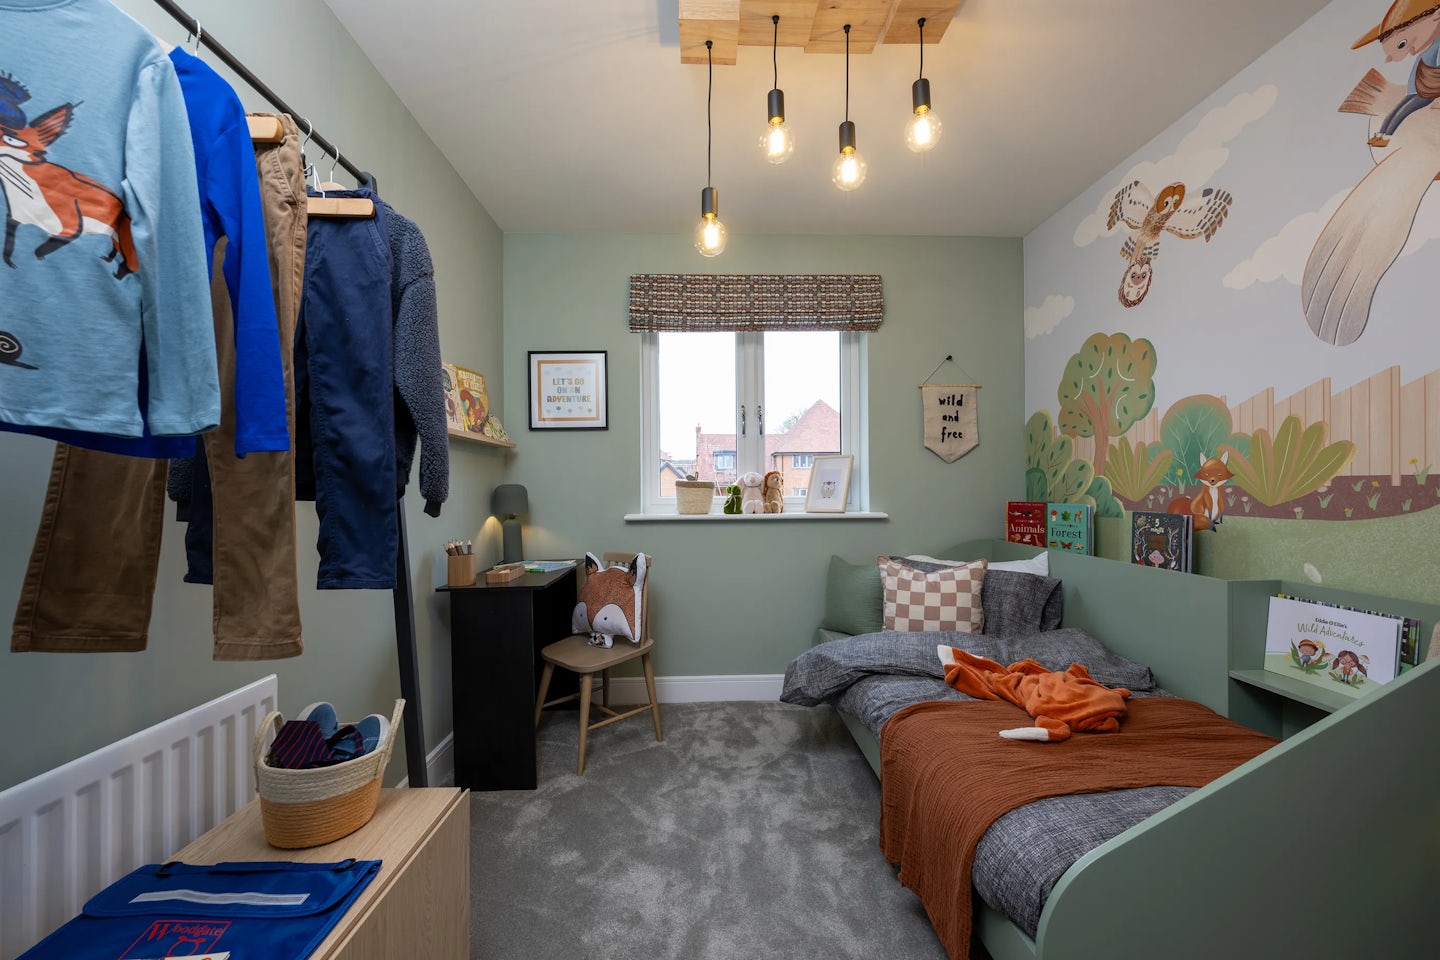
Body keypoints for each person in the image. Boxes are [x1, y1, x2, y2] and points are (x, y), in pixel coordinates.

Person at [1353, 1, 1440, 147]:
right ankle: (1380, 135)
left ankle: (1385, 136)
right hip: (1416, 90)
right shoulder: (1427, 49)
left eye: (1402, 44)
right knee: (1396, 110)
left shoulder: (1436, 46)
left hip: (1425, 92)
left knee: (1403, 111)